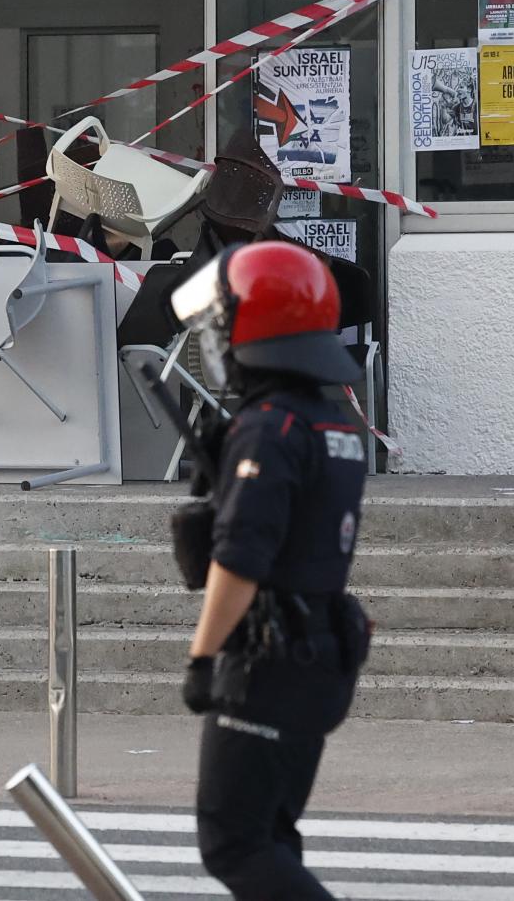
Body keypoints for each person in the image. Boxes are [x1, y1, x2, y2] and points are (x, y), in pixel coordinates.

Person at [166, 240, 374, 901]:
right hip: (318, 656)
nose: (216, 345)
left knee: (235, 842)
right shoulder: (331, 422)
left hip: (268, 659)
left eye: (221, 329)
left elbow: (239, 560)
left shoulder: (269, 426)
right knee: (272, 836)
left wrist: (203, 658)